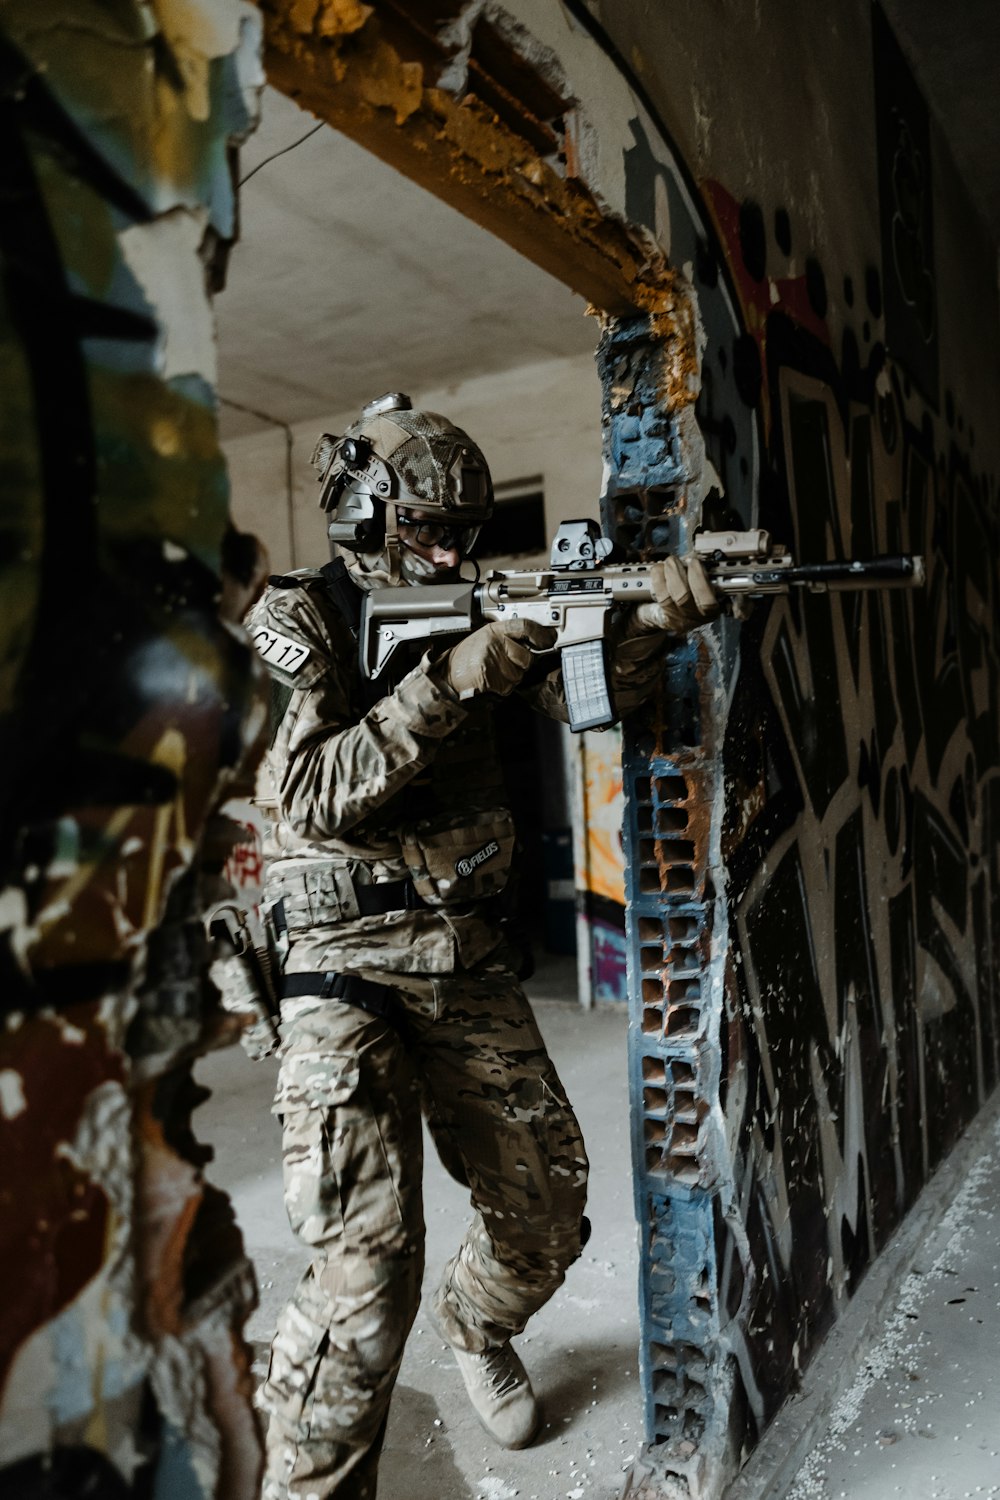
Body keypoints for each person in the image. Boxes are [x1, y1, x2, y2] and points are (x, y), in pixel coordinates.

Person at [246, 392, 718, 1499]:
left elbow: (593, 705)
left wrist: (644, 625)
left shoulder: (479, 594)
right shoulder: (303, 619)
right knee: (364, 1268)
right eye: (428, 530)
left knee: (548, 1207)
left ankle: (478, 1325)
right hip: (338, 960)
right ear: (363, 515)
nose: (454, 549)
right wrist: (458, 677)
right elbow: (311, 795)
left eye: (465, 528)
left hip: (460, 952)